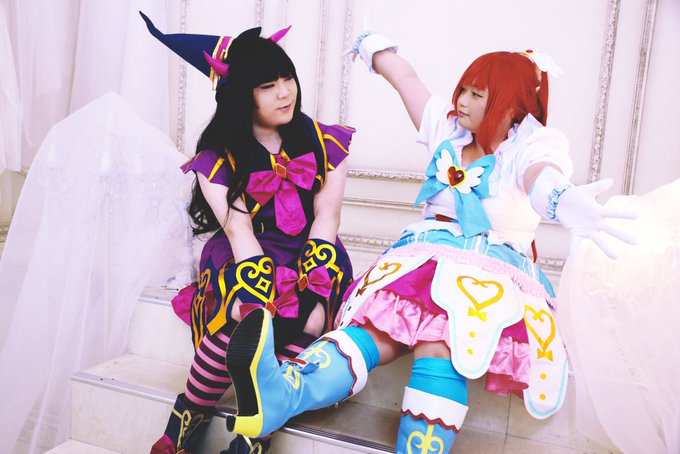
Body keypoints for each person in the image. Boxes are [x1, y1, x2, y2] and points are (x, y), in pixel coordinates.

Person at [221, 30, 637, 453]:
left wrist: (562, 200)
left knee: (442, 341)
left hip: (489, 270)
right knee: (372, 330)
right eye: (464, 89)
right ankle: (282, 392)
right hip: (423, 260)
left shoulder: (528, 145)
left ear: (511, 106)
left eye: (477, 94)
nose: (462, 101)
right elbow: (406, 79)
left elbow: (539, 174)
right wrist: (371, 47)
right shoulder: (449, 129)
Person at [140, 12, 355, 454]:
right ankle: (187, 420)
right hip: (247, 251)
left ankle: (253, 437)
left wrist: (310, 286)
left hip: (310, 249)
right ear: (241, 94)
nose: (285, 92)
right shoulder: (216, 159)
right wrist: (263, 299)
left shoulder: (325, 142)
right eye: (268, 85)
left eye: (287, 79)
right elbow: (239, 231)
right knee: (244, 317)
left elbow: (326, 219)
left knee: (310, 319)